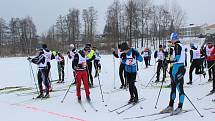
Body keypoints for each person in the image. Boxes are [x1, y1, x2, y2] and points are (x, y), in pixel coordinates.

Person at [160, 32, 186, 115]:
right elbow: (172, 57)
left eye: (171, 39)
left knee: (180, 89)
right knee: (173, 88)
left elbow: (177, 59)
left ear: (174, 39)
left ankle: (180, 107)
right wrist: (166, 61)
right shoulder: (175, 47)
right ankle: (171, 106)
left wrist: (168, 61)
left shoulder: (178, 46)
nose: (171, 41)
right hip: (174, 69)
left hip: (178, 68)